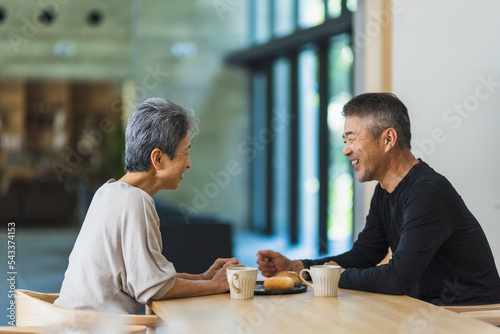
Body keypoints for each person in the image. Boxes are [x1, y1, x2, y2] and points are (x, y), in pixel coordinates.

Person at [257, 92, 500, 305]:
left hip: (470, 314)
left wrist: (336, 275)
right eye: (344, 141)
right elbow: (364, 255)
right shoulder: (385, 191)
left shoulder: (428, 191)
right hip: (428, 309)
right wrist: (299, 267)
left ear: (388, 140)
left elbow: (398, 278)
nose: (345, 150)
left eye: (352, 138)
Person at [56, 98, 242, 313]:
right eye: (186, 153)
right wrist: (217, 285)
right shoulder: (136, 200)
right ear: (158, 158)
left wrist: (203, 277)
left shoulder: (107, 192)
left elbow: (147, 278)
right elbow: (153, 289)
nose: (189, 163)